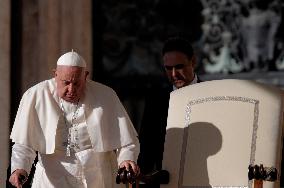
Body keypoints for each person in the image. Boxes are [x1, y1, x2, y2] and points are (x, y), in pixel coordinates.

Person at [9, 51, 140, 188]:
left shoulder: (105, 95)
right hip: (52, 179)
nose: (71, 89)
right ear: (55, 74)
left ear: (86, 76)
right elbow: (24, 143)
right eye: (66, 83)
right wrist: (19, 168)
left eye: (76, 83)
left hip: (97, 178)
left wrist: (126, 159)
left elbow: (127, 140)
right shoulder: (35, 96)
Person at [137, 36, 201, 188]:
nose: (173, 74)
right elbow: (147, 147)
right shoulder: (155, 101)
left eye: (179, 67)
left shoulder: (214, 96)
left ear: (193, 62)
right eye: (168, 68)